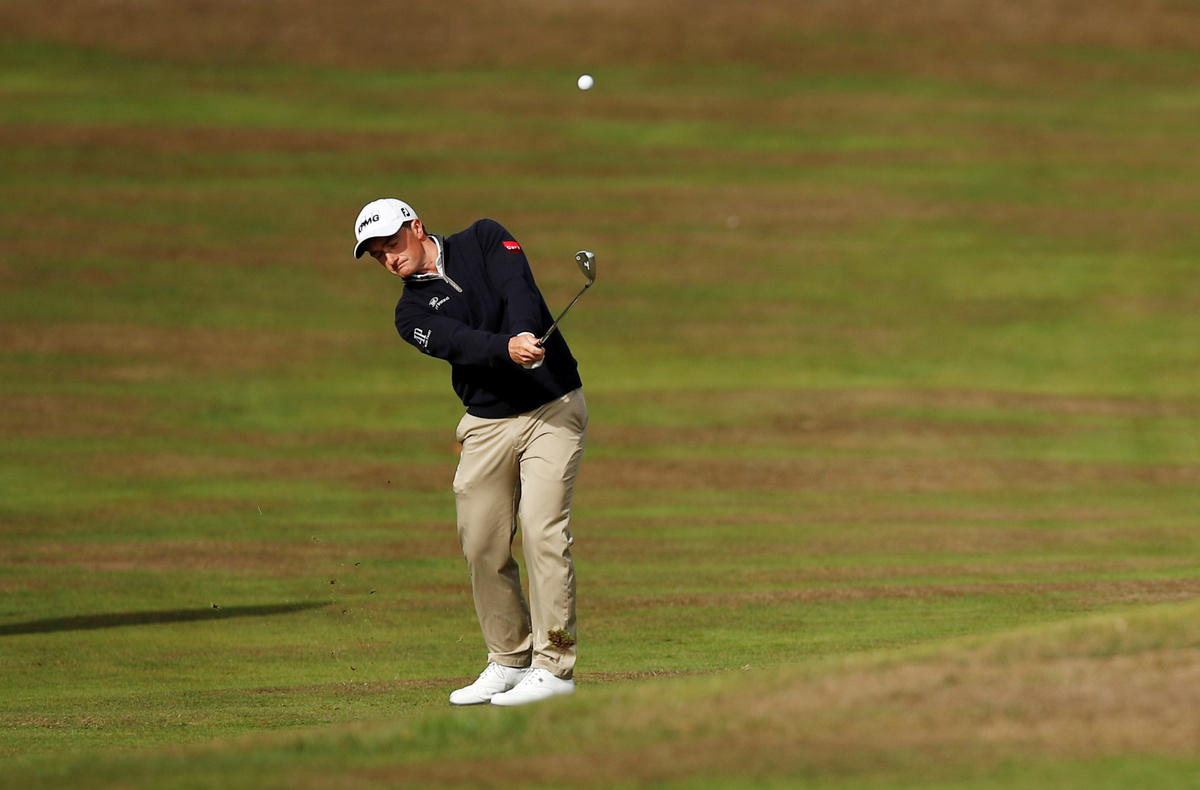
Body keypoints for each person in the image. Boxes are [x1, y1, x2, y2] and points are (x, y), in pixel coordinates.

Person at [352, 198, 588, 707]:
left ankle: (555, 665)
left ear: (416, 227)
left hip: (553, 407)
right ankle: (510, 660)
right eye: (377, 255)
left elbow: (518, 287)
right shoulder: (409, 313)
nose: (389, 259)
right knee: (481, 541)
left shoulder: (483, 237)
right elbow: (457, 341)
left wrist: (523, 332)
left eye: (392, 244)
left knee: (543, 532)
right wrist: (506, 349)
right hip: (486, 424)